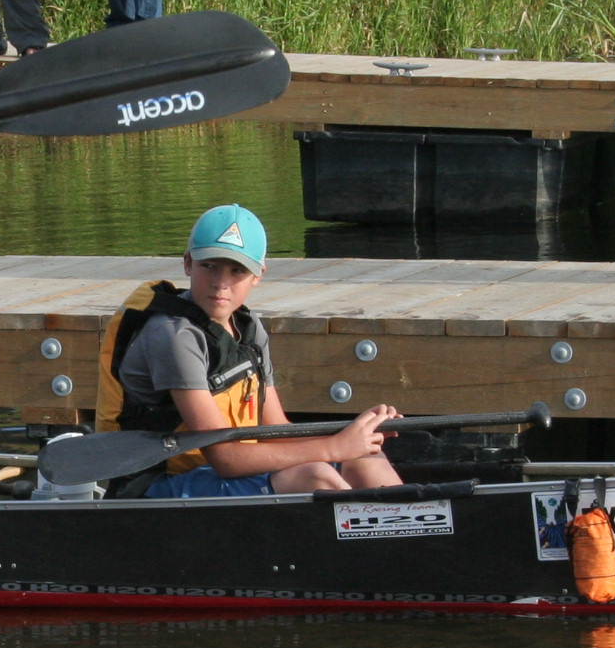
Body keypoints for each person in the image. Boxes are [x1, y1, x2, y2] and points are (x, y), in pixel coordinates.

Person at [108, 206, 403, 498]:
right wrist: (334, 447)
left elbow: (274, 429)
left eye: (237, 270)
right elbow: (225, 459)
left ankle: (408, 530)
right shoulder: (175, 337)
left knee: (366, 456)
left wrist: (358, 435)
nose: (220, 283)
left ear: (258, 275)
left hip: (216, 471)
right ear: (188, 263)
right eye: (208, 265)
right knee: (316, 476)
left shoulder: (248, 330)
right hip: (156, 484)